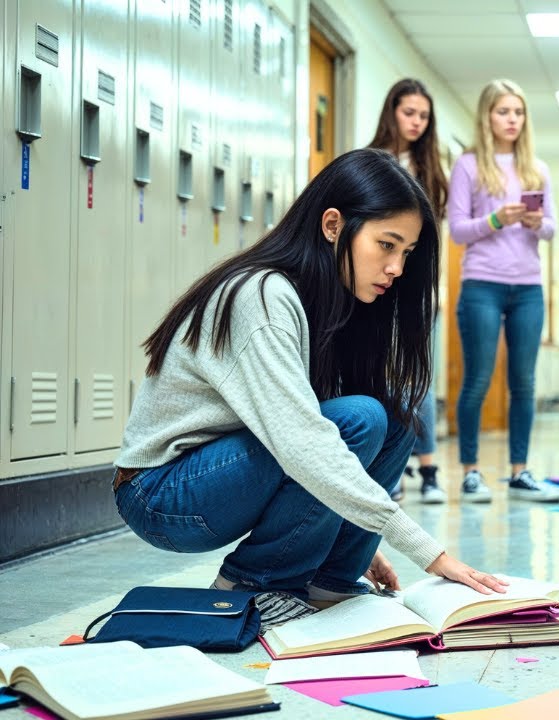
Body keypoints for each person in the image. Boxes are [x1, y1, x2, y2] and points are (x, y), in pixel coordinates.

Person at [113, 149, 508, 626]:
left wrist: (356, 541)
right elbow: (305, 442)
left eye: (405, 252)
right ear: (333, 226)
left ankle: (329, 581)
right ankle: (254, 585)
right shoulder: (261, 296)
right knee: (360, 419)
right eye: (386, 245)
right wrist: (429, 553)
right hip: (162, 494)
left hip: (224, 473)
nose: (397, 268)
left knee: (396, 414)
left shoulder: (327, 299)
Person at [447, 79, 559, 503]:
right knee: (477, 379)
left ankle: (520, 471)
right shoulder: (469, 166)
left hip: (527, 287)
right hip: (482, 283)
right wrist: (497, 219)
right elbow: (457, 229)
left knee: (524, 382)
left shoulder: (538, 169)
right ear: (487, 116)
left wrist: (535, 223)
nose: (512, 119)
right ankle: (471, 471)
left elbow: (551, 227)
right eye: (503, 112)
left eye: (518, 112)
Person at [366, 78, 450, 504]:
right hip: (379, 284)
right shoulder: (372, 161)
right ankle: (392, 471)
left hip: (420, 289)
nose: (416, 122)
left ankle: (430, 467)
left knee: (420, 377)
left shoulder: (433, 169)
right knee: (383, 376)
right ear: (392, 112)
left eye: (423, 115)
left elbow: (434, 240)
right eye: (409, 113)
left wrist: (435, 291)